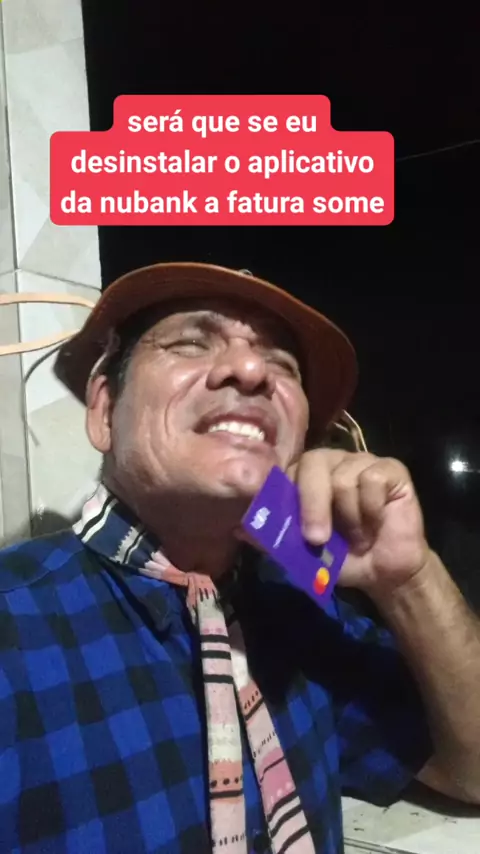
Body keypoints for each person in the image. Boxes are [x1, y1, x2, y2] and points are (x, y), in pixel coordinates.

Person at [0, 262, 479, 854]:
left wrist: (408, 579)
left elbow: (472, 770)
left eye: (283, 365)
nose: (252, 371)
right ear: (103, 410)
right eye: (190, 343)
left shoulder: (302, 613)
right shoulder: (13, 631)